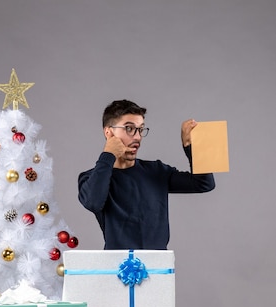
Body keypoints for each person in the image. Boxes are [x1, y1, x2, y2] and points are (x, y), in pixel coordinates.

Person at [78, 99, 215, 250]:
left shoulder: (157, 171)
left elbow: (204, 183)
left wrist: (192, 147)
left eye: (140, 129)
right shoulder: (93, 178)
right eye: (129, 128)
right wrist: (108, 154)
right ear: (109, 132)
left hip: (158, 267)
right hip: (118, 267)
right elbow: (92, 202)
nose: (137, 137)